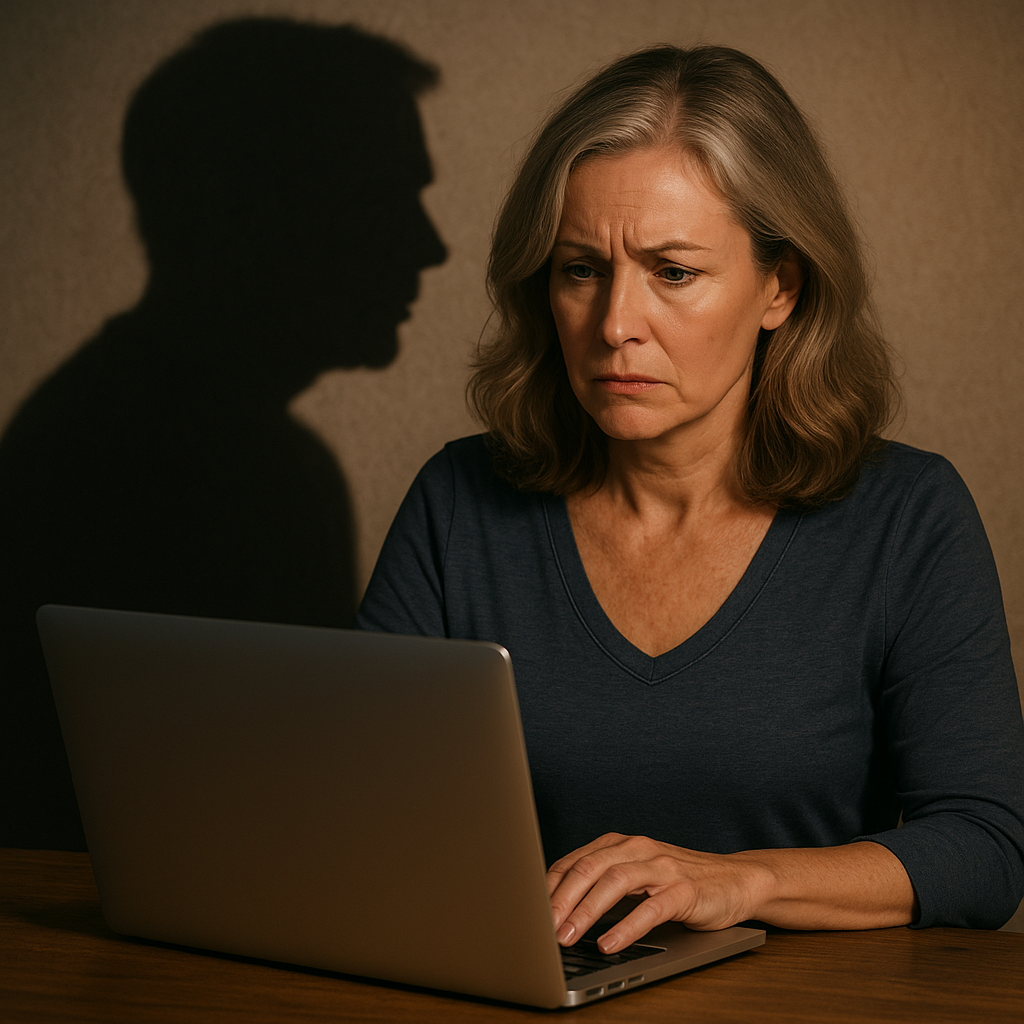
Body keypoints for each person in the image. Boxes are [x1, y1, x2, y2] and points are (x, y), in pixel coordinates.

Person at [356, 45, 1024, 949]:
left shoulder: (907, 516)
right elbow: (356, 808)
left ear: (779, 287)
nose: (615, 325)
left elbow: (986, 849)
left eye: (673, 271)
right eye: (580, 269)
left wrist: (736, 881)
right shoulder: (460, 501)